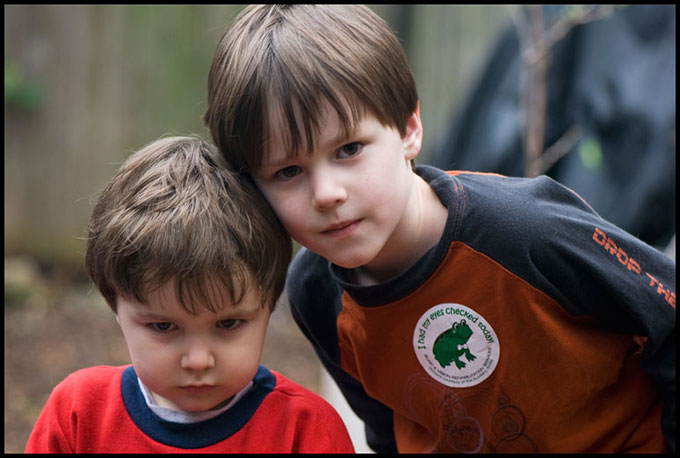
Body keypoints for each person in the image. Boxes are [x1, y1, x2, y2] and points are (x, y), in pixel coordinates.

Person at [202, 5, 676, 454]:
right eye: (287, 172)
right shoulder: (315, 295)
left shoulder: (523, 230)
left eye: (348, 149)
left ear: (408, 128)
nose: (326, 193)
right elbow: (387, 431)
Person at [24, 136, 355, 453]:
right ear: (115, 304)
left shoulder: (304, 431)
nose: (198, 361)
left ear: (269, 302)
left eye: (228, 323)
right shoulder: (79, 416)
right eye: (164, 327)